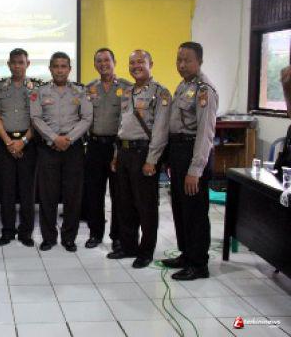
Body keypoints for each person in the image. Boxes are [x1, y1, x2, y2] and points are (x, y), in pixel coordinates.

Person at [160, 42, 218, 280]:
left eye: (187, 60)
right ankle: (186, 254)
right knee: (180, 208)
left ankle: (198, 264)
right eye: (179, 60)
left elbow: (205, 134)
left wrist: (195, 170)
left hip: (193, 154)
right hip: (179, 153)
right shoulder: (184, 86)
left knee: (195, 212)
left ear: (199, 62)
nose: (182, 65)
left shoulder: (205, 90)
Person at [108, 49, 171, 269]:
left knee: (146, 206)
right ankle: (129, 247)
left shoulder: (160, 93)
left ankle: (146, 251)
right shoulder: (127, 92)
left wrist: (152, 160)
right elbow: (122, 125)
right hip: (124, 152)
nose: (136, 66)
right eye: (132, 63)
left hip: (144, 153)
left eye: (140, 62)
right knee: (125, 204)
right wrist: (116, 155)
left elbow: (161, 130)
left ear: (150, 64)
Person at [30, 52, 92, 252]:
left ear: (69, 69)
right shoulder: (39, 91)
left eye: (63, 66)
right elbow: (36, 118)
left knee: (72, 196)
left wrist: (68, 139)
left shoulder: (80, 91)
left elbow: (87, 118)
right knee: (47, 195)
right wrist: (54, 138)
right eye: (56, 66)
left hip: (73, 148)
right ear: (50, 69)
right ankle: (48, 237)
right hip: (48, 148)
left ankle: (69, 238)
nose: (59, 70)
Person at [82, 48, 131, 251]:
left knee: (119, 194)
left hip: (116, 146)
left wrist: (118, 149)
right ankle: (95, 233)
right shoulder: (89, 89)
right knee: (94, 193)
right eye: (99, 61)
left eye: (106, 60)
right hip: (94, 146)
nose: (103, 64)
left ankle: (117, 236)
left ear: (114, 62)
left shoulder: (127, 88)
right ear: (95, 64)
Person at [0, 48, 40, 247]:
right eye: (14, 62)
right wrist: (9, 142)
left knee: (28, 191)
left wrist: (23, 142)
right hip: (6, 143)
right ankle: (8, 231)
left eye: (21, 62)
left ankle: (26, 232)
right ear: (8, 64)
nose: (17, 66)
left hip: (29, 142)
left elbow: (38, 119)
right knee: (7, 190)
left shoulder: (37, 87)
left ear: (27, 64)